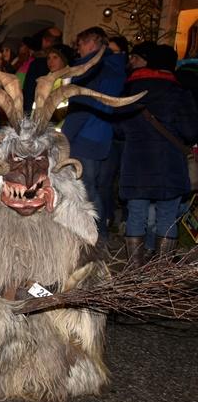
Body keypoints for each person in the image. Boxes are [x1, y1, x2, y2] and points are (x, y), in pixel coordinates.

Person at [117, 44, 198, 266]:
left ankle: (134, 270)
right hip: (169, 165)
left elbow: (118, 129)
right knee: (167, 217)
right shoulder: (179, 93)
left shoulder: (130, 90)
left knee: (136, 215)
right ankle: (161, 272)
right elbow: (190, 131)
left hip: (136, 164)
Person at [61, 26, 127, 241]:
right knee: (96, 187)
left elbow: (81, 106)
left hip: (84, 137)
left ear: (92, 43)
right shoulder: (115, 67)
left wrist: (64, 138)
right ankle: (98, 231)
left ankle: (97, 236)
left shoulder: (90, 68)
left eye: (80, 44)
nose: (78, 49)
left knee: (85, 189)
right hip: (103, 136)